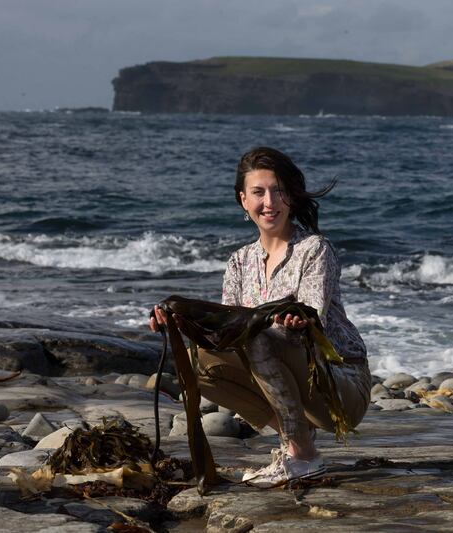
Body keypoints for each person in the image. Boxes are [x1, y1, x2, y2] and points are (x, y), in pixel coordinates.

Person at [150, 146, 371, 487]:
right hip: (290, 385)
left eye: (279, 191)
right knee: (199, 360)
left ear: (292, 198)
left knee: (259, 336)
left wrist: (296, 326)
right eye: (258, 192)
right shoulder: (239, 262)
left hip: (340, 387)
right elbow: (225, 338)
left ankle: (304, 457)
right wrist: (179, 322)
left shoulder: (315, 250)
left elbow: (316, 324)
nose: (270, 202)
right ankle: (298, 440)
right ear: (243, 200)